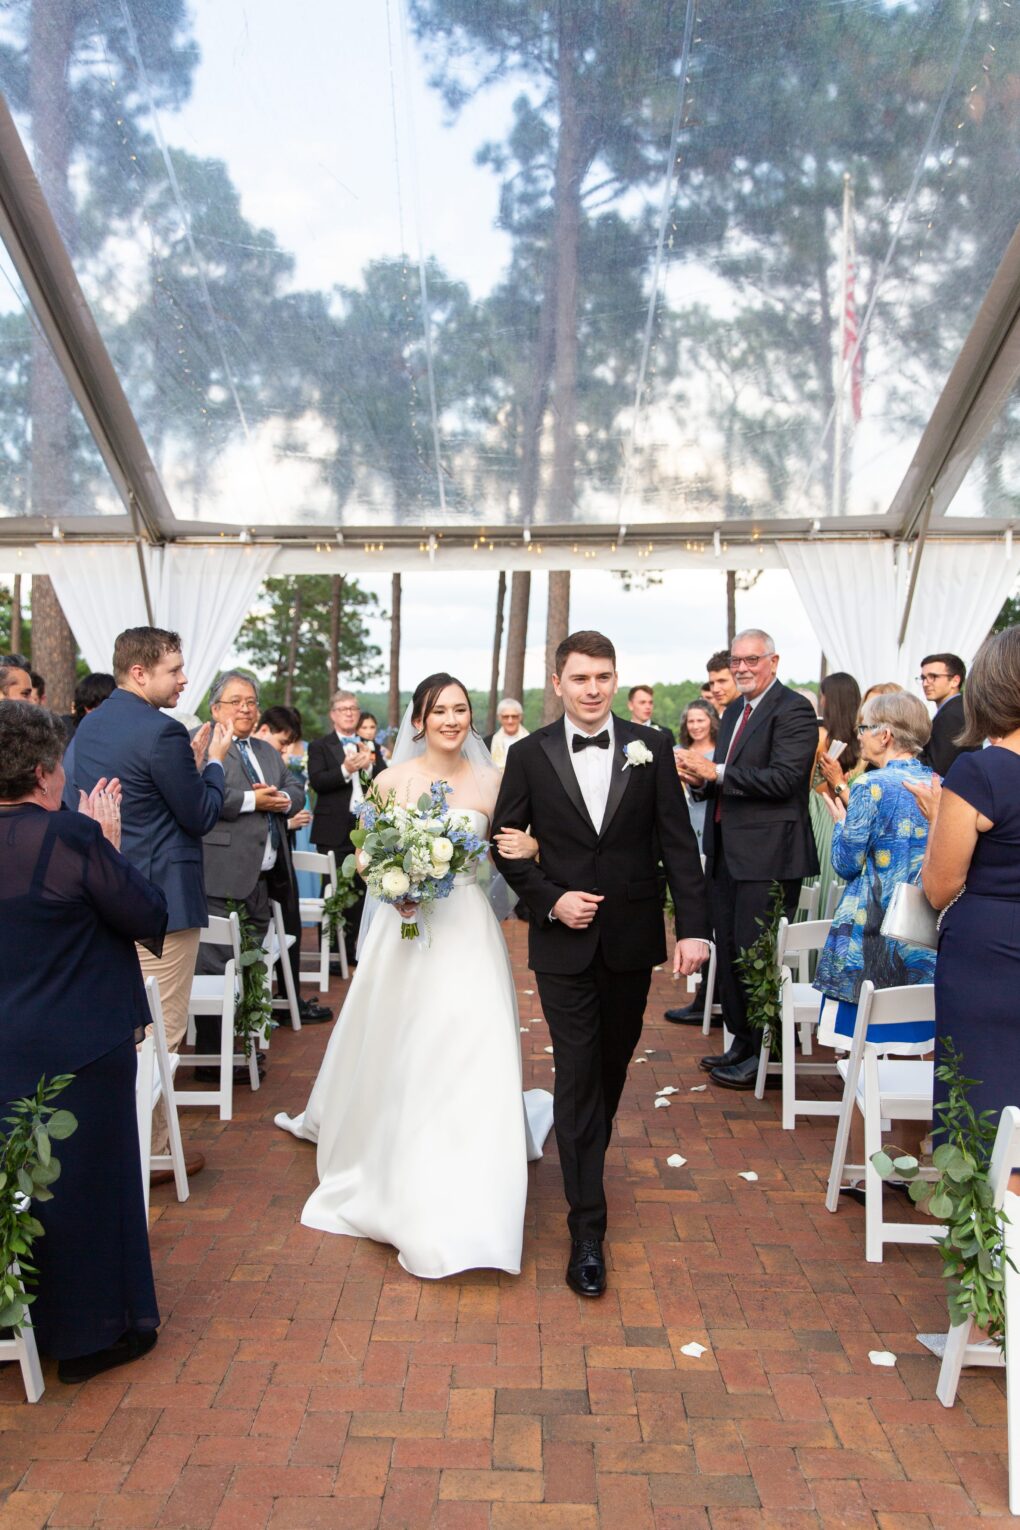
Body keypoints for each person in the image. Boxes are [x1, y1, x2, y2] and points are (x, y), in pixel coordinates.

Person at [276, 674, 554, 1280]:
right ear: (419, 719)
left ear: (471, 718)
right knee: (406, 1043)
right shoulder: (389, 780)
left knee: (470, 1044)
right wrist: (391, 885)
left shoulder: (492, 780)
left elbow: (512, 847)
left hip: (469, 930)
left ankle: (475, 1168)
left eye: (460, 709)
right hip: (406, 933)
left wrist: (532, 851)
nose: (451, 720)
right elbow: (364, 855)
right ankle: (399, 1157)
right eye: (439, 710)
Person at [493, 631, 709, 1298]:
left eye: (604, 677)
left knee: (610, 1068)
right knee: (578, 1069)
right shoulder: (529, 755)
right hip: (562, 944)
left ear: (615, 681)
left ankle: (586, 1145)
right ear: (557, 683)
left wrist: (694, 931)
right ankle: (587, 1229)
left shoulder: (654, 746)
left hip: (631, 937)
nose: (593, 689)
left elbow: (678, 843)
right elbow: (504, 845)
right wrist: (551, 900)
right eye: (580, 677)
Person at [0, 701, 168, 1383]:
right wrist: (110, 846)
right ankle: (94, 1334)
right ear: (45, 771)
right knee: (89, 1187)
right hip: (76, 1045)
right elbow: (144, 912)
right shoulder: (69, 837)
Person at [71, 627, 230, 1178]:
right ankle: (153, 1152)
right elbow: (199, 814)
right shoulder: (163, 733)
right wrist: (209, 763)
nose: (185, 678)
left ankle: (120, 1143)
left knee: (121, 1026)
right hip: (161, 900)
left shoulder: (87, 731)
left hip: (100, 894)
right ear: (139, 673)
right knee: (163, 1029)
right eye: (174, 670)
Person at [676, 628, 819, 1091]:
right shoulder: (734, 709)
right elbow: (725, 778)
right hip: (727, 851)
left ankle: (769, 1055)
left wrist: (714, 771)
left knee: (757, 954)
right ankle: (742, 1042)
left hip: (770, 856)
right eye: (735, 661)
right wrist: (699, 780)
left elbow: (783, 779)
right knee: (732, 950)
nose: (741, 668)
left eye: (751, 660)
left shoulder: (794, 709)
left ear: (773, 662)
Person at [908, 626, 1020, 1127]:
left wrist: (939, 822)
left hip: (990, 955)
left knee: (984, 1096)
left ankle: (995, 1205)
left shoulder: (981, 772)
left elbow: (940, 885)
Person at [193, 672, 306, 1069]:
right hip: (222, 872)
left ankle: (244, 1047)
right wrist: (251, 801)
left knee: (253, 965)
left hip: (264, 877)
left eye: (251, 701)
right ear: (216, 708)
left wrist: (283, 801)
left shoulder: (266, 750)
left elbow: (296, 787)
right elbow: (201, 796)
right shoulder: (202, 744)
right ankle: (212, 1060)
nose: (245, 708)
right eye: (236, 701)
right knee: (216, 965)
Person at [813, 690, 936, 1048]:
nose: (858, 736)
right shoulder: (939, 784)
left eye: (863, 728)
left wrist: (840, 823)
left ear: (886, 735)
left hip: (870, 931)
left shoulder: (869, 785)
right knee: (918, 1045)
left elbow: (846, 865)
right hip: (921, 930)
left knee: (859, 1052)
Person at [253, 704, 332, 1025]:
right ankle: (276, 1003)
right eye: (282, 742)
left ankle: (290, 997)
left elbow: (294, 791)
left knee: (292, 928)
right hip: (254, 866)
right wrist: (286, 823)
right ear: (263, 731)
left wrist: (286, 808)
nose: (285, 750)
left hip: (278, 858)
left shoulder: (273, 761)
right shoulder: (247, 761)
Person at [308, 691, 387, 965]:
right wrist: (345, 769)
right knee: (333, 890)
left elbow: (385, 782)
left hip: (365, 830)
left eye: (353, 708)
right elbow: (317, 781)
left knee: (361, 888)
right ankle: (330, 953)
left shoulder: (370, 744)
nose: (349, 713)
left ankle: (354, 949)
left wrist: (371, 766)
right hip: (332, 829)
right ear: (333, 714)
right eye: (343, 709)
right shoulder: (320, 746)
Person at [662, 701, 718, 1027]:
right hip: (685, 830)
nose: (696, 725)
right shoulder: (676, 751)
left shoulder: (721, 752)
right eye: (691, 720)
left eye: (702, 719)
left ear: (711, 722)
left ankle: (707, 992)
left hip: (709, 827)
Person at [810, 672, 863, 918]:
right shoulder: (862, 741)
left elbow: (809, 780)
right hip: (848, 813)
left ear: (828, 700)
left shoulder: (820, 737)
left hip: (818, 812)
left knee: (815, 882)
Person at [918, 652, 977, 778]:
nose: (926, 683)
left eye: (933, 676)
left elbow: (936, 770)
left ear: (955, 681)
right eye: (923, 678)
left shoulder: (952, 715)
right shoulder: (957, 709)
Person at [486, 697, 529, 766]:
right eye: (506, 717)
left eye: (514, 716)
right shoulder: (488, 743)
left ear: (520, 717)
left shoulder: (532, 741)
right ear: (499, 718)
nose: (510, 721)